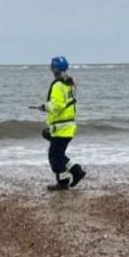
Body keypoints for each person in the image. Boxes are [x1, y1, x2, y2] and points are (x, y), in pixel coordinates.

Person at [38, 55, 87, 191]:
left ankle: (65, 181)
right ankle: (75, 172)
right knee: (59, 154)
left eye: (52, 68)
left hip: (62, 126)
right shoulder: (70, 83)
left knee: (54, 156)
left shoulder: (58, 85)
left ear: (55, 69)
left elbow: (58, 105)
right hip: (68, 126)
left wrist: (45, 107)